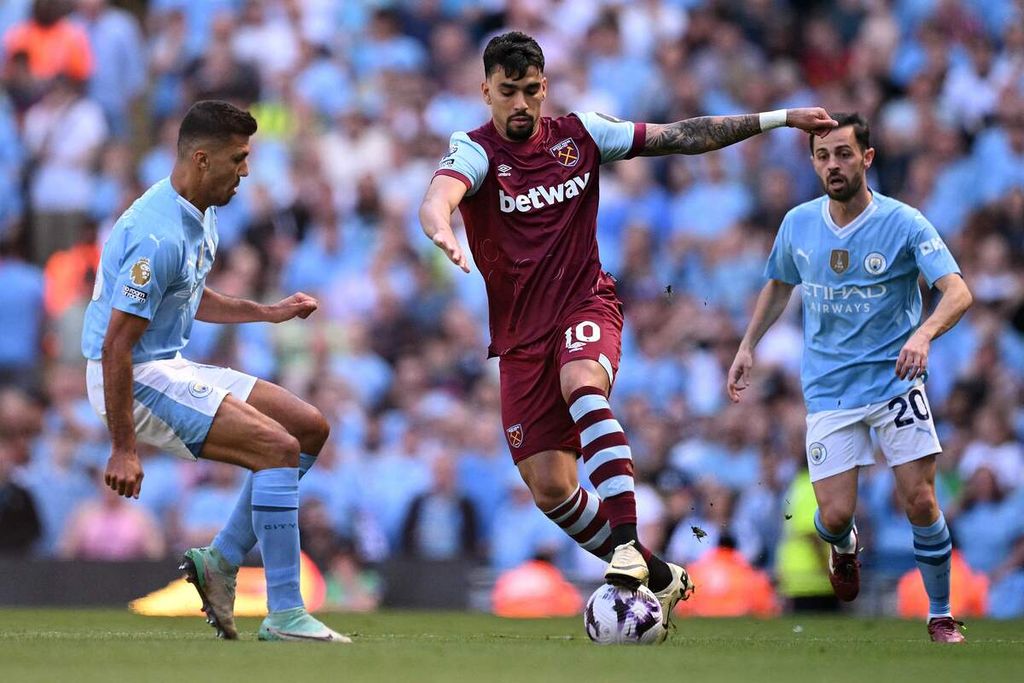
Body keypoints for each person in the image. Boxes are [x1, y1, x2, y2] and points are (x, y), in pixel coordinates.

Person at [418, 30, 837, 633]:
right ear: (485, 90)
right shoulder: (476, 149)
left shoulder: (582, 135)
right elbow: (440, 194)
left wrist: (779, 118)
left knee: (583, 385)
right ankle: (661, 576)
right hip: (519, 339)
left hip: (586, 304)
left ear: (545, 88)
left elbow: (685, 136)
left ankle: (624, 547)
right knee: (551, 489)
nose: (520, 105)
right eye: (507, 92)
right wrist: (441, 225)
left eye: (530, 91)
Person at [80, 100, 348, 643]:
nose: (246, 171)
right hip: (132, 379)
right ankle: (285, 613)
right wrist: (123, 447)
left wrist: (267, 312)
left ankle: (222, 559)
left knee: (309, 429)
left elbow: (189, 298)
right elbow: (115, 348)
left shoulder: (201, 215)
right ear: (202, 159)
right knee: (274, 448)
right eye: (239, 158)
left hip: (166, 366)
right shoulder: (154, 237)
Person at [726, 112, 974, 643]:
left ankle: (940, 614)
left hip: (894, 383)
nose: (833, 165)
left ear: (867, 158)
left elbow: (957, 292)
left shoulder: (905, 223)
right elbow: (778, 284)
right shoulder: (798, 223)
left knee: (921, 501)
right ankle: (843, 547)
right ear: (813, 163)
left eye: (843, 153)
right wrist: (748, 345)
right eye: (822, 156)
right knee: (834, 516)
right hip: (830, 390)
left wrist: (924, 334)